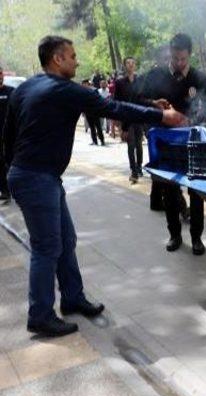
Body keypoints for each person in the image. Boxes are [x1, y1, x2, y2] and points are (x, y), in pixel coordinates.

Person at [1, 35, 185, 337]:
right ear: (57, 59)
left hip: (37, 176)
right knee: (47, 247)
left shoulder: (26, 88)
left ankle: (72, 298)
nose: (77, 61)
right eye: (72, 56)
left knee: (65, 239)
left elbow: (8, 135)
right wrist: (161, 116)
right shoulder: (65, 90)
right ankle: (40, 314)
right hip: (36, 177)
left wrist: (11, 169)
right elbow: (113, 109)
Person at [140, 33, 206, 255]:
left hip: (192, 142)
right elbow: (139, 99)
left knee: (196, 190)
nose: (179, 64)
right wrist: (154, 104)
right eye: (175, 59)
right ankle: (174, 235)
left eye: (183, 59)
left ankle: (197, 237)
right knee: (169, 190)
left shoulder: (199, 78)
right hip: (167, 142)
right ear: (170, 54)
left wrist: (191, 120)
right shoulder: (156, 75)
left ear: (189, 56)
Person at [115, 57, 146, 183]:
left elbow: (144, 98)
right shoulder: (120, 82)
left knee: (139, 144)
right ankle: (133, 169)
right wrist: (119, 122)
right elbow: (117, 101)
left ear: (135, 65)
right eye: (128, 63)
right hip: (127, 117)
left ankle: (139, 167)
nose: (130, 65)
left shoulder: (140, 80)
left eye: (132, 63)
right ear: (124, 66)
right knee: (130, 144)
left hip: (139, 116)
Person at [0, 66, 14, 201]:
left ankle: (15, 189)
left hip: (11, 135)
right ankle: (4, 191)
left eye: (0, 73)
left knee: (12, 162)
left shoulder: (11, 92)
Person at [81, 79, 106, 146]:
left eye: (84, 84)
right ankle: (94, 141)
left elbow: (98, 99)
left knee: (98, 127)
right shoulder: (83, 91)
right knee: (91, 127)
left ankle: (102, 140)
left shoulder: (94, 90)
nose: (83, 85)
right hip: (88, 112)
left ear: (87, 84)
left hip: (95, 111)